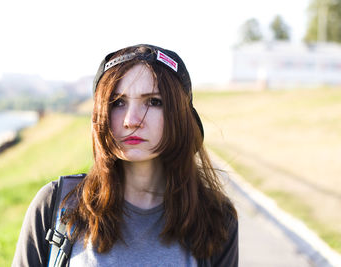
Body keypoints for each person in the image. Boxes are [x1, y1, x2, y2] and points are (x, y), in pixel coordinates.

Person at [12, 44, 238, 266]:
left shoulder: (215, 217)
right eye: (118, 103)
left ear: (179, 116)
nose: (132, 121)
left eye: (154, 102)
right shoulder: (57, 205)